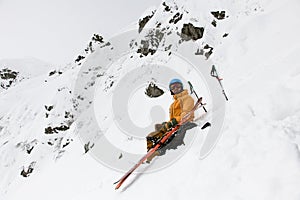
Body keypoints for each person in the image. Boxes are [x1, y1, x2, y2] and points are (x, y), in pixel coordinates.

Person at [146, 78, 197, 163]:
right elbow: (172, 119)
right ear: (171, 90)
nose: (175, 88)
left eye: (177, 86)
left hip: (184, 123)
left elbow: (186, 114)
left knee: (171, 137)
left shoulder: (187, 98)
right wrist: (166, 124)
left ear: (181, 87)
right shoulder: (173, 104)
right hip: (175, 124)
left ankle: (160, 151)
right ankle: (150, 152)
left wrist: (172, 123)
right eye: (173, 87)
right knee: (151, 135)